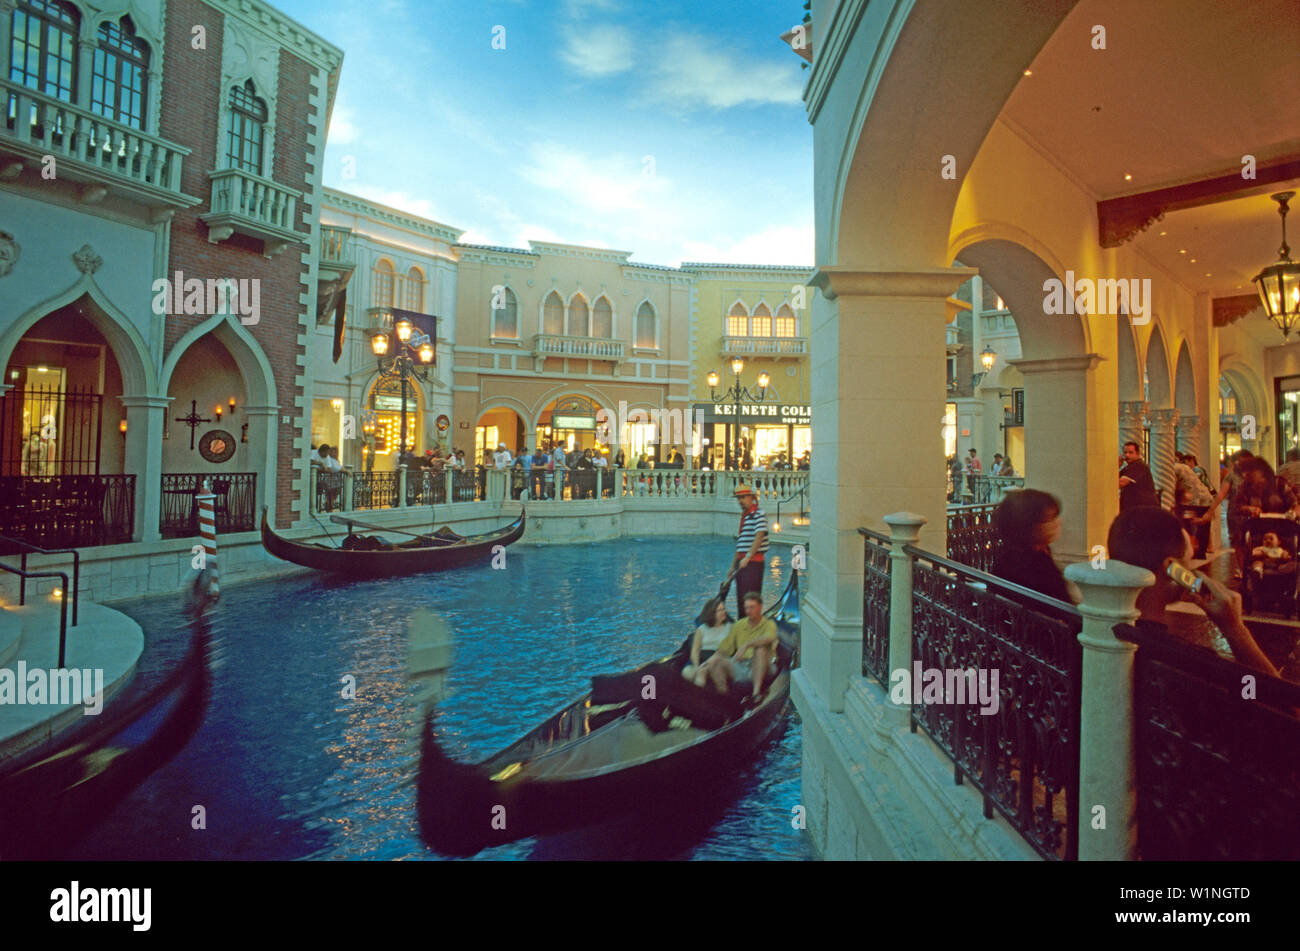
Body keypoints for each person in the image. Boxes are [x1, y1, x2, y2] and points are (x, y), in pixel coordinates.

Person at [1107, 506, 1279, 677]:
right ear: (1172, 569)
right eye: (1188, 559)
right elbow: (1279, 701)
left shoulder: (1101, 630)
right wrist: (1235, 629)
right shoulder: (1190, 663)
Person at [990, 489, 1077, 609]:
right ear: (1026, 527)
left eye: (1056, 516)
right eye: (1048, 519)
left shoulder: (1036, 552)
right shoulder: (1027, 565)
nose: (1057, 523)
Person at [698, 592, 780, 701]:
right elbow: (723, 650)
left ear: (760, 607)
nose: (748, 611)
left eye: (752, 607)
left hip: (765, 666)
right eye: (746, 608)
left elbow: (768, 638)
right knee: (716, 664)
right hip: (742, 666)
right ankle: (724, 700)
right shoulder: (739, 625)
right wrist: (707, 663)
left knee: (760, 649)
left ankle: (756, 694)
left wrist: (747, 645)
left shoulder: (769, 624)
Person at [730, 484, 768, 619]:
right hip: (741, 564)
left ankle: (751, 626)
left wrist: (748, 557)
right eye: (738, 498)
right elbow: (740, 544)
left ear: (751, 497)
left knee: (750, 600)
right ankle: (743, 627)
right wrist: (732, 567)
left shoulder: (759, 513)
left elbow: (760, 535)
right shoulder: (745, 516)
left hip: (753, 564)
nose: (740, 501)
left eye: (743, 497)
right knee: (742, 600)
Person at [682, 597, 733, 684]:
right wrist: (696, 665)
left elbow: (730, 649)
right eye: (720, 610)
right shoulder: (701, 629)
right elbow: (695, 651)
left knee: (702, 673)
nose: (723, 612)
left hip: (718, 658)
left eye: (724, 609)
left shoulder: (730, 627)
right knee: (688, 672)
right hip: (702, 658)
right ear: (711, 613)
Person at [1118, 440, 1158, 510]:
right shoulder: (1128, 467)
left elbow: (1120, 483)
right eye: (1125, 453)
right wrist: (1118, 465)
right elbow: (1114, 478)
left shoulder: (1139, 466)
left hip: (1142, 507)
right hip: (1134, 506)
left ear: (1137, 454)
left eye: (1130, 452)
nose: (1127, 455)